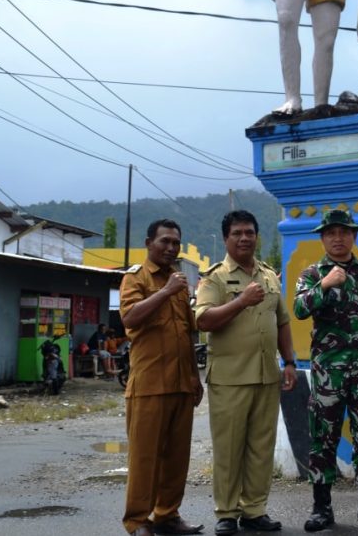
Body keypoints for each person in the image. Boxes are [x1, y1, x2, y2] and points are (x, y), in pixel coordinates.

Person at [195, 211, 297, 535]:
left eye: (249, 232)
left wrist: (290, 362)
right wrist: (240, 301)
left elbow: (282, 321)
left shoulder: (269, 276)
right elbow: (203, 320)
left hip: (267, 376)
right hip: (229, 377)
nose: (244, 238)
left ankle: (254, 510)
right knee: (229, 449)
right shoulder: (214, 278)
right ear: (226, 238)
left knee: (261, 448)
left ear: (257, 236)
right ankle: (226, 513)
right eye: (237, 233)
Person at [293, 209, 358, 532]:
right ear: (322, 238)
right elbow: (299, 309)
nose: (338, 238)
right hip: (327, 375)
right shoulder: (311, 273)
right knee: (323, 439)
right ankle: (322, 508)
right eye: (331, 233)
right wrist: (324, 284)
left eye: (344, 232)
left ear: (354, 236)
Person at [118, 219, 204, 536]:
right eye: (164, 241)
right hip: (149, 384)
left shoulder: (179, 283)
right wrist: (165, 292)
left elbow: (187, 332)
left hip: (182, 382)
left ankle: (167, 515)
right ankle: (138, 521)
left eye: (175, 243)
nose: (170, 248)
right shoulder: (135, 278)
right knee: (145, 458)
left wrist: (195, 378)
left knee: (176, 457)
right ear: (148, 243)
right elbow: (130, 317)